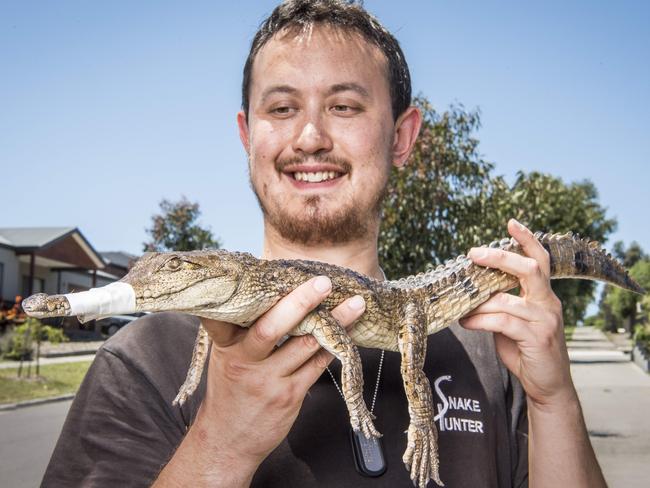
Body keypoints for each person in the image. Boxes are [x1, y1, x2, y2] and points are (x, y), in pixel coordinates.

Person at [42, 1, 607, 487]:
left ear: (402, 137)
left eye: (344, 106)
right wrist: (220, 446)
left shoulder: (495, 350)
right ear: (248, 136)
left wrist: (555, 400)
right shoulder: (138, 363)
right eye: (282, 108)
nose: (310, 137)